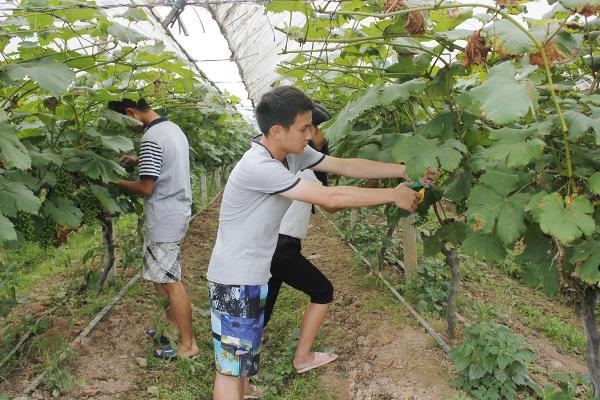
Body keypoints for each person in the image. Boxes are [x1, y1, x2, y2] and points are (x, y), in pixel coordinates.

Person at [206, 86, 433, 400]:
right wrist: (392, 195)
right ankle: (238, 389)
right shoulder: (260, 166)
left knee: (242, 354)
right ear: (277, 131)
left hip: (253, 272)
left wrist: (407, 171)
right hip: (235, 279)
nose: (311, 134)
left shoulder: (290, 154)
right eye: (304, 128)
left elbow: (345, 166)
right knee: (229, 371)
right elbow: (330, 197)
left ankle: (246, 389)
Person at [109, 98, 199, 359]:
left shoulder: (150, 137)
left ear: (130, 113)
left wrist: (113, 179)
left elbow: (146, 188)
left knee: (170, 282)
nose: (128, 130)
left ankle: (188, 345)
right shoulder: (171, 129)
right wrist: (139, 160)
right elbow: (168, 161)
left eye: (124, 123)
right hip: (174, 210)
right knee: (161, 279)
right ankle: (170, 332)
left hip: (164, 216)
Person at [263, 103, 338, 374]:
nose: (325, 135)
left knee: (265, 304)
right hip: (282, 246)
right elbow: (332, 203)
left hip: (272, 243)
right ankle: (303, 357)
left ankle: (243, 374)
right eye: (320, 129)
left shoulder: (289, 160)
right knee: (322, 291)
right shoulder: (304, 167)